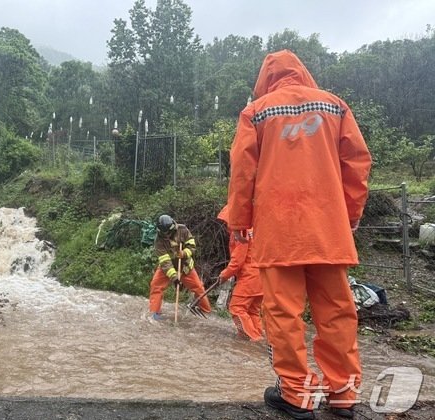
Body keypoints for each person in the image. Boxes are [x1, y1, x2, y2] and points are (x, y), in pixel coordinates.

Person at [227, 50, 372, 419]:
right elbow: (356, 164)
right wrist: (350, 216)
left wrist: (240, 221)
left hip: (280, 231)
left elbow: (243, 173)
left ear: (265, 78)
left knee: (283, 313)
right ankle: (343, 396)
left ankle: (296, 395)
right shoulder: (336, 107)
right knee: (337, 311)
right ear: (303, 72)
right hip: (329, 230)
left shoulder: (257, 112)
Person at [149, 214, 211, 320]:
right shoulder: (158, 240)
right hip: (167, 268)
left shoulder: (183, 230)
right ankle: (155, 313)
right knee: (156, 286)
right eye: (164, 233)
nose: (166, 235)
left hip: (185, 266)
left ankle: (206, 311)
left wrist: (184, 253)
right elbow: (165, 261)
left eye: (168, 233)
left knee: (198, 288)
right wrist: (174, 277)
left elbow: (192, 246)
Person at [217, 205, 263, 341]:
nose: (225, 224)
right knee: (252, 311)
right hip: (261, 277)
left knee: (236, 307)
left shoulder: (240, 233)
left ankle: (252, 341)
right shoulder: (252, 229)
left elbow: (237, 261)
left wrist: (224, 275)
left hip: (250, 277)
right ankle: (258, 338)